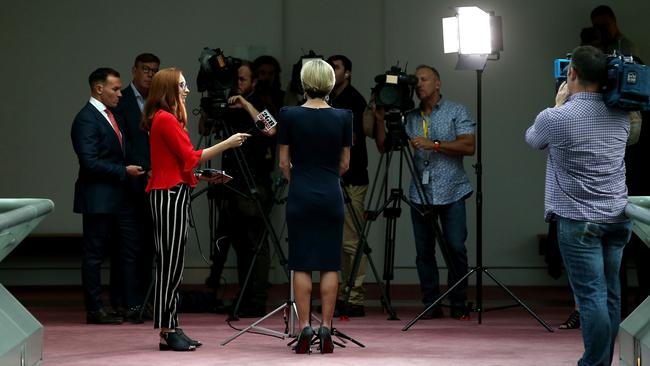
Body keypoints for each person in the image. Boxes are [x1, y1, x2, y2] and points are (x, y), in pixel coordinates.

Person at [526, 45, 632, 366]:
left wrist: (559, 102)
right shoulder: (622, 114)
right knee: (611, 295)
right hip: (617, 216)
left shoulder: (556, 117)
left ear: (571, 73)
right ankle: (601, 360)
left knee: (591, 298)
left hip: (578, 220)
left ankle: (595, 363)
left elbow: (533, 139)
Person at [142, 67, 249, 351]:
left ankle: (172, 327)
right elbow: (190, 157)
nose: (187, 90)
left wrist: (200, 176)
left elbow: (177, 163)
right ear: (168, 89)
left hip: (171, 193)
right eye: (181, 85)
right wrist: (227, 144)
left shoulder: (165, 119)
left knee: (173, 265)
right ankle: (167, 330)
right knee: (170, 266)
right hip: (168, 196)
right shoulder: (165, 119)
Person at [278, 59, 351, 354]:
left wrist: (297, 177)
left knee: (302, 262)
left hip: (300, 193)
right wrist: (328, 176)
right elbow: (345, 163)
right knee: (330, 262)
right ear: (331, 83)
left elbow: (284, 162)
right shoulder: (344, 116)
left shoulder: (289, 114)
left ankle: (306, 325)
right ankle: (327, 327)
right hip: (331, 193)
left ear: (303, 82)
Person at [71, 67, 145, 324]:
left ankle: (126, 304)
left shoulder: (111, 115)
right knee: (94, 255)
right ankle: (94, 309)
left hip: (120, 197)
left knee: (127, 250)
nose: (120, 93)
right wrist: (123, 171)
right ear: (98, 88)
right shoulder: (86, 119)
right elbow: (89, 162)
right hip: (99, 198)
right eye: (115, 88)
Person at [404, 65, 475, 320]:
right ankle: (431, 303)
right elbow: (383, 145)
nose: (419, 84)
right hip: (419, 192)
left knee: (455, 246)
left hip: (452, 190)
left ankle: (458, 301)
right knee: (424, 251)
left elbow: (469, 146)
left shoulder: (456, 110)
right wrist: (380, 115)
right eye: (416, 80)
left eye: (425, 79)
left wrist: (434, 145)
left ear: (438, 83)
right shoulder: (409, 116)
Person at [207, 61, 277, 317]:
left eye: (243, 79)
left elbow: (271, 129)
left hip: (254, 182)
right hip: (231, 183)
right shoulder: (226, 105)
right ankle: (245, 295)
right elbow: (206, 129)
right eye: (235, 79)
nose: (238, 84)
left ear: (253, 82)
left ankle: (256, 299)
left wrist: (246, 104)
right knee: (239, 243)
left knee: (255, 243)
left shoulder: (260, 102)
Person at [113, 52, 160, 321]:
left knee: (148, 247)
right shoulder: (122, 100)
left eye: (154, 70)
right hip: (132, 180)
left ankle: (144, 300)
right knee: (129, 247)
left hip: (155, 182)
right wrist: (143, 166)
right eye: (145, 69)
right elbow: (124, 141)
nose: (150, 75)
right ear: (133, 70)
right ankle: (129, 303)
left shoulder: (159, 101)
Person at [326, 55, 369, 317]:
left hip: (352, 178)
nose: (332, 71)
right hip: (331, 178)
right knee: (339, 242)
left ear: (348, 73)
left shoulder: (354, 99)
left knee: (352, 241)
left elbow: (350, 138)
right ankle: (343, 294)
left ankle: (355, 297)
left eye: (337, 67)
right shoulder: (327, 99)